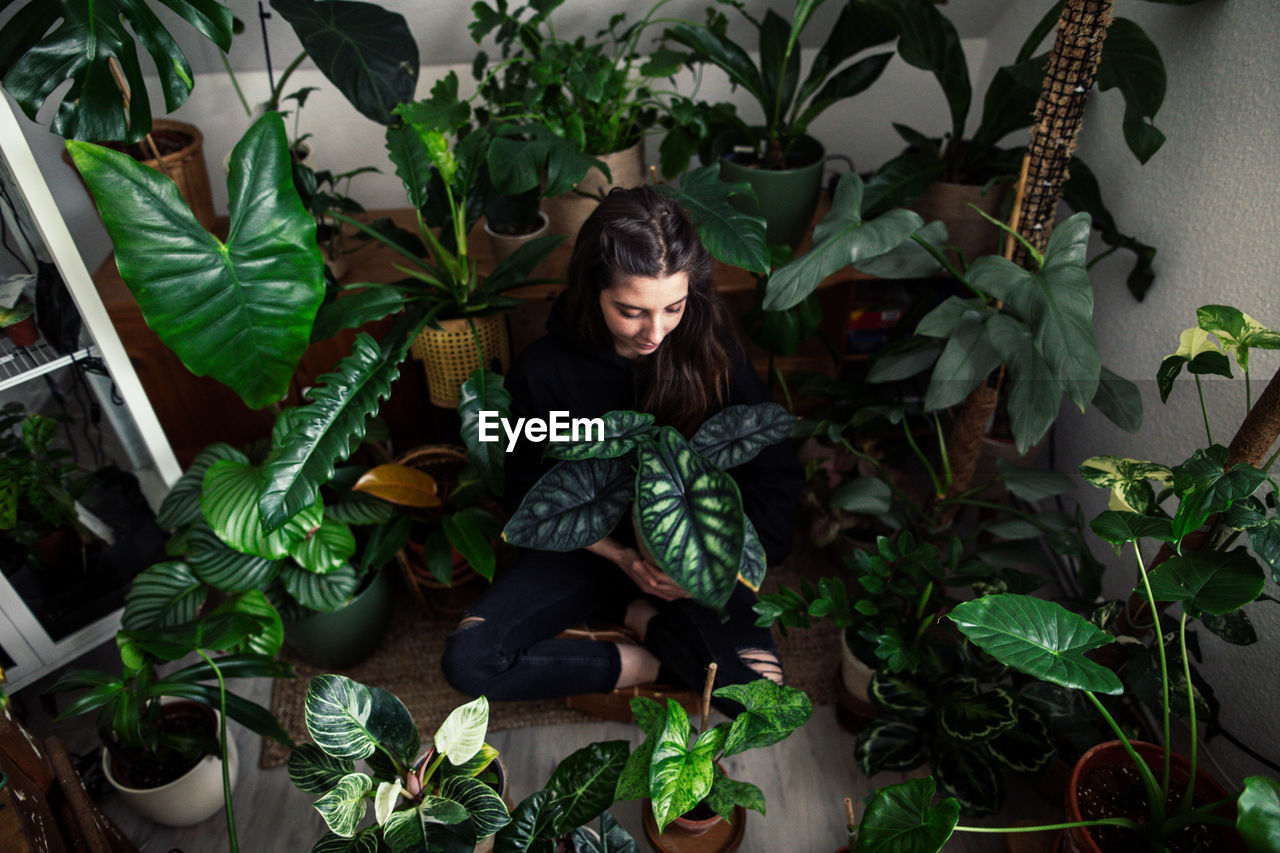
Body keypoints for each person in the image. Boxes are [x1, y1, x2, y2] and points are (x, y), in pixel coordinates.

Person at [441, 186, 803, 711]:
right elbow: (522, 489)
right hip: (587, 555)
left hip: (687, 558)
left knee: (761, 700)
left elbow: (775, 479)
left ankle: (645, 620)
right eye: (631, 311)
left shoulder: (713, 355)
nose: (655, 333)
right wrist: (622, 558)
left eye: (673, 308)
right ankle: (647, 658)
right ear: (594, 291)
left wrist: (701, 564)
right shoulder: (544, 370)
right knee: (469, 659)